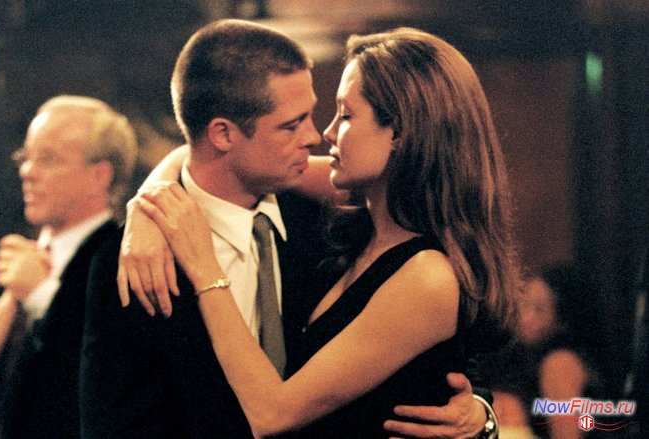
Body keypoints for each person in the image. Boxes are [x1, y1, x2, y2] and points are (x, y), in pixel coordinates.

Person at [81, 20, 500, 439]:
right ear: (223, 133)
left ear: (401, 135)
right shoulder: (350, 221)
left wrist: (482, 415)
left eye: (344, 115)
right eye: (292, 124)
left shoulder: (322, 225)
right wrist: (149, 200)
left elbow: (451, 357)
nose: (321, 134)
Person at [0, 95, 137, 438]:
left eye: (48, 159)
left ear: (99, 175)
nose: (27, 171)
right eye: (26, 157)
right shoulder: (10, 262)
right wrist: (14, 296)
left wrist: (40, 295)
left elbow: (105, 380)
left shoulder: (126, 260)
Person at [490, 264, 602, 438]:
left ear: (562, 319)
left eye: (539, 310)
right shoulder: (519, 354)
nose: (526, 317)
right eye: (524, 304)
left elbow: (567, 436)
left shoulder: (560, 363)